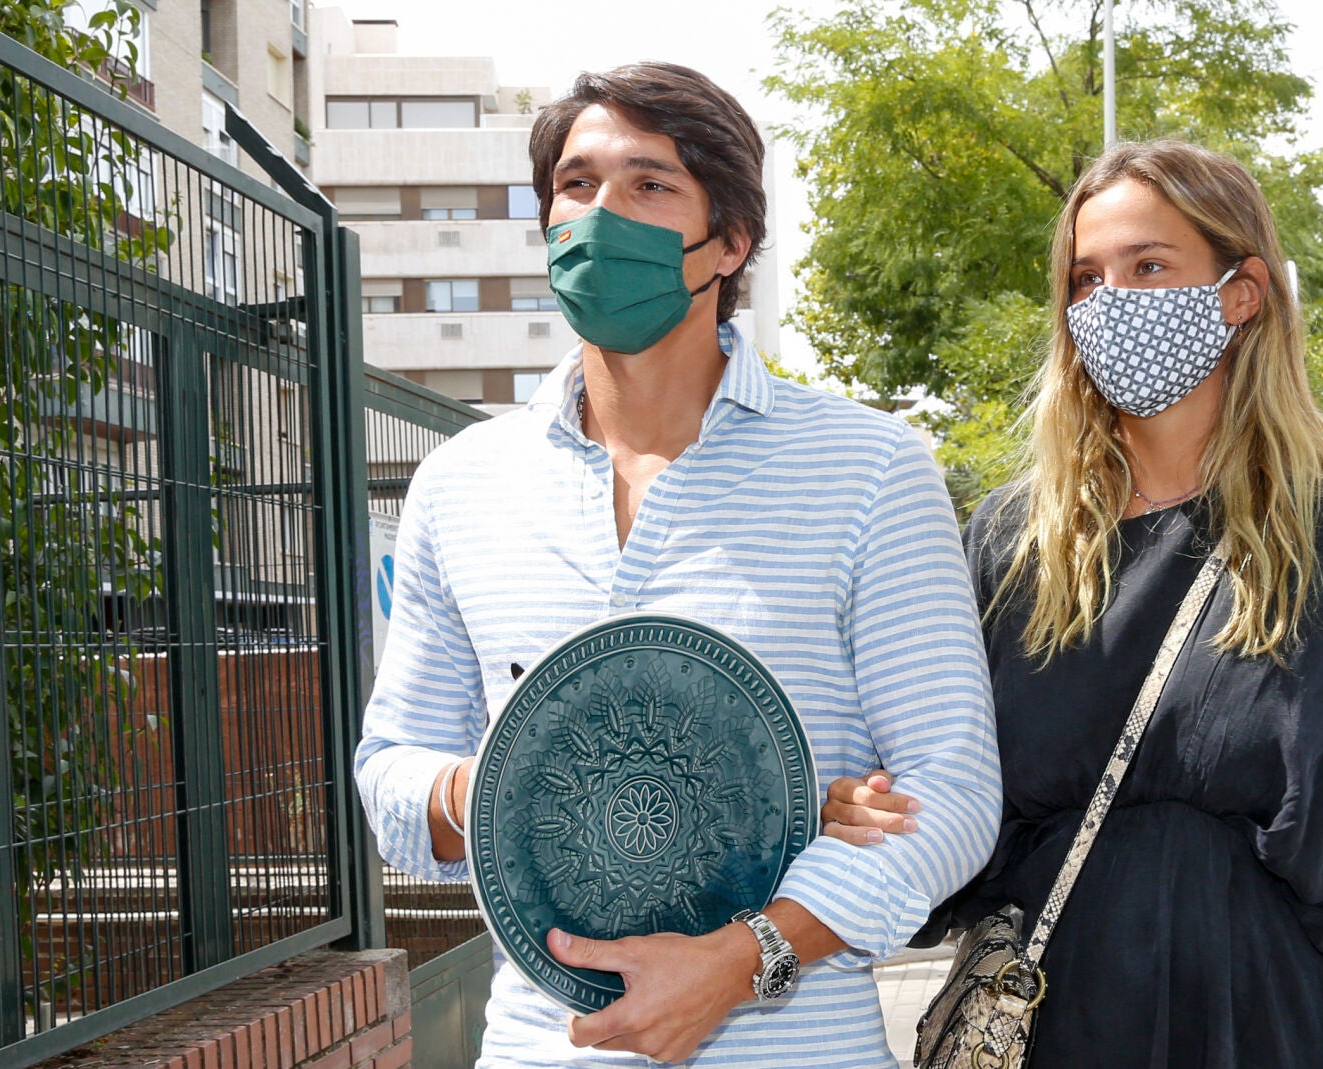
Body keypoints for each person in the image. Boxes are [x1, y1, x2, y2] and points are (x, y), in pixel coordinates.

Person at [823, 140, 1323, 1068]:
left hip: (1286, 1025)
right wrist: (864, 809)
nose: (1109, 300)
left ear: (1242, 292)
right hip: (1058, 1023)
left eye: (1148, 265)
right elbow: (948, 813)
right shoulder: (1011, 543)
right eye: (1084, 279)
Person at [354, 63, 1002, 1068]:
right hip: (538, 1046)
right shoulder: (459, 483)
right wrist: (496, 787)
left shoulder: (869, 468)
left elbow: (950, 794)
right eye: (575, 185)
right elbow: (389, 773)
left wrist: (749, 957)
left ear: (730, 241)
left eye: (649, 184)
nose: (600, 213)